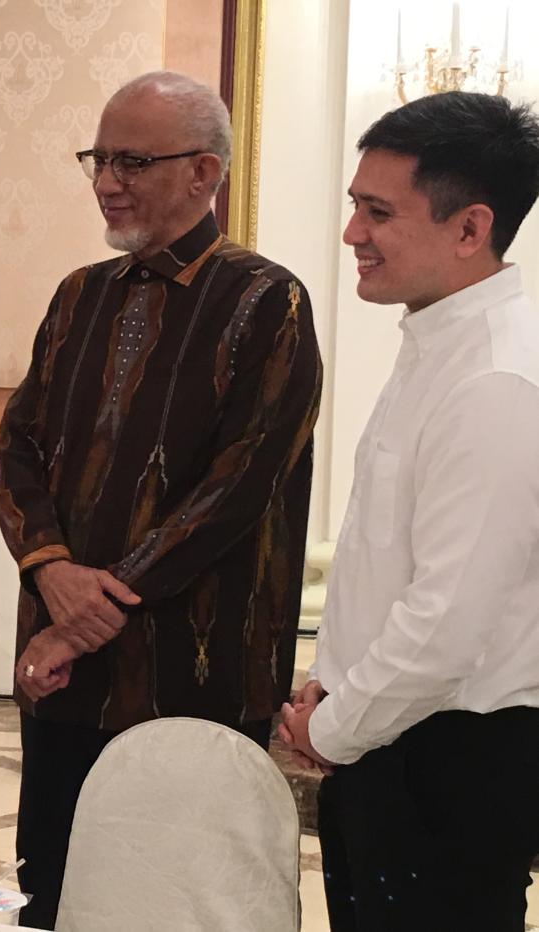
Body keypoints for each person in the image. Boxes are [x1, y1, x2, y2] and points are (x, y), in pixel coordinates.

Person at [0, 70, 323, 929]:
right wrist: (52, 569)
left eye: (133, 161)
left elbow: (241, 486)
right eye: (98, 158)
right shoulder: (79, 296)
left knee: (189, 896)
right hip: (68, 673)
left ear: (204, 174)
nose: (108, 181)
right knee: (56, 888)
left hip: (197, 667)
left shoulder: (267, 300)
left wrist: (88, 609)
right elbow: (19, 444)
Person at [279, 91, 539, 931]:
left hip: (452, 760)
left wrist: (335, 727)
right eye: (356, 204)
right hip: (394, 738)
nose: (353, 233)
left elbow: (448, 623)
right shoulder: (441, 338)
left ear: (470, 228)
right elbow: (385, 562)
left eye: (378, 211)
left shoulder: (498, 377)